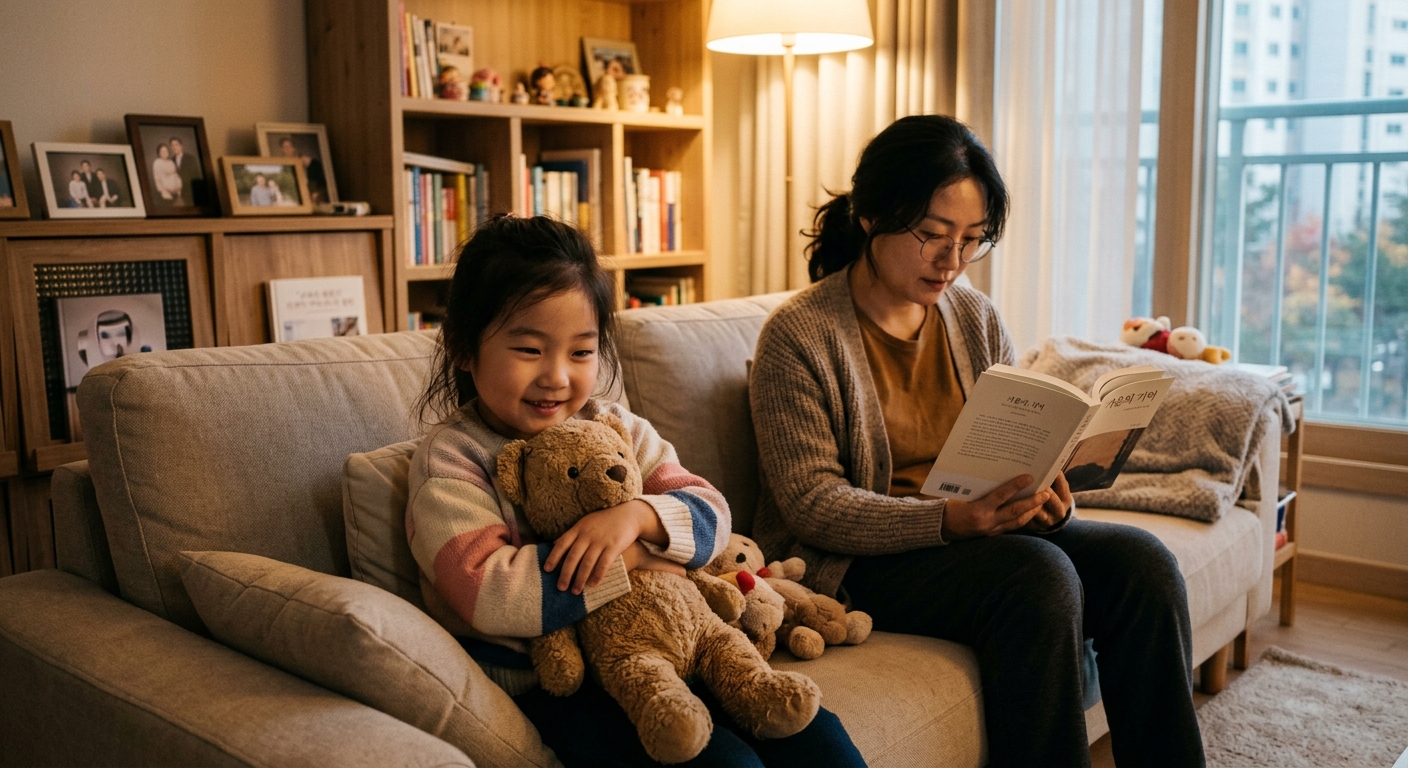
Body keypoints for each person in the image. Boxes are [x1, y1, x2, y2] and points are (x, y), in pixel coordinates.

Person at [748, 115, 1204, 768]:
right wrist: (949, 520)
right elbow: (810, 503)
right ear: (873, 216)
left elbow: (1022, 436)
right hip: (864, 559)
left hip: (981, 528)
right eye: (931, 235)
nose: (952, 261)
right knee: (1038, 578)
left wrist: (1048, 495)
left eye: (971, 239)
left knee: (1143, 563)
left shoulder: (975, 316)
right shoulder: (800, 336)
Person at [408, 215, 866, 768]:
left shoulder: (616, 427)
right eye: (529, 349)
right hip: (557, 686)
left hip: (677, 645)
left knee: (815, 736)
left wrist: (639, 519)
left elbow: (711, 514)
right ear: (462, 345)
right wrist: (641, 561)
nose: (558, 376)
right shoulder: (453, 459)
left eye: (580, 352)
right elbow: (489, 594)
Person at [278, 137, 327, 204]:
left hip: (305, 192)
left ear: (293, 148)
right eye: (285, 147)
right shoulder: (281, 164)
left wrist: (314, 190)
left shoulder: (301, 160)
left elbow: (315, 170)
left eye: (290, 146)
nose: (288, 149)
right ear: (282, 149)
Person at [169, 137, 201, 205]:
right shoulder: (170, 162)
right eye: (172, 145)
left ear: (181, 146)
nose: (174, 147)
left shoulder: (190, 158)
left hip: (190, 193)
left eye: (176, 145)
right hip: (176, 194)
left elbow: (197, 176)